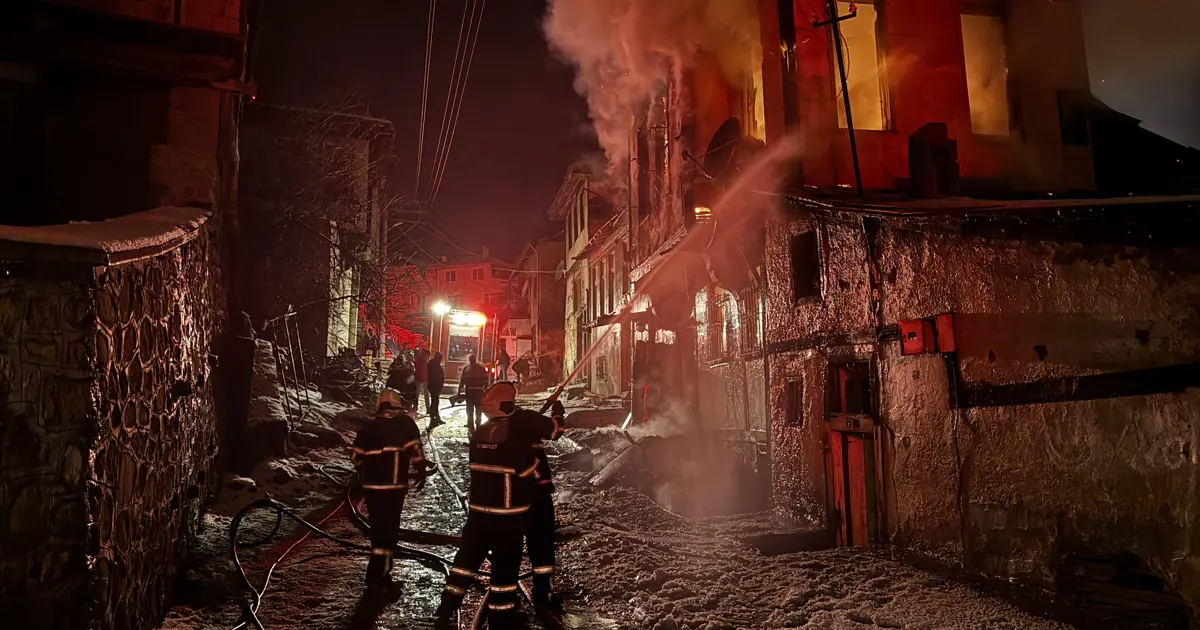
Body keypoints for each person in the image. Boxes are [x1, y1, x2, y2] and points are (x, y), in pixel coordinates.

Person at [433, 383, 566, 630]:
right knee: (518, 559)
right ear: (509, 405)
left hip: (480, 510)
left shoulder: (481, 433)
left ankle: (447, 604)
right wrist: (557, 414)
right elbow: (533, 460)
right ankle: (512, 610)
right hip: (514, 509)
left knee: (467, 557)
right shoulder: (521, 429)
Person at [352, 386, 430, 587]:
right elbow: (415, 451)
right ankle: (380, 577)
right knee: (389, 532)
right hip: (394, 487)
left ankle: (376, 574)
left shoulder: (369, 427)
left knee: (378, 530)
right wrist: (420, 470)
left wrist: (366, 471)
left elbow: (356, 457)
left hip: (371, 487)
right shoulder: (405, 424)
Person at [521, 397, 565, 615]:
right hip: (537, 495)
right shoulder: (528, 419)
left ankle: (505, 597)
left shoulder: (496, 427)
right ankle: (542, 596)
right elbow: (556, 431)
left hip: (510, 500)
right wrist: (557, 412)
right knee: (542, 546)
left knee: (508, 550)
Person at [457, 354, 488, 432]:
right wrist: (486, 389)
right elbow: (486, 380)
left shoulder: (466, 368)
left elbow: (462, 380)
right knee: (478, 408)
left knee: (470, 408)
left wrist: (459, 390)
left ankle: (470, 423)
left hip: (470, 391)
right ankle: (478, 423)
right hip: (479, 391)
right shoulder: (481, 368)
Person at [426, 351, 445, 431]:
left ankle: (436, 418)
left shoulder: (431, 364)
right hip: (434, 386)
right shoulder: (434, 365)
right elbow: (438, 376)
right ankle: (433, 420)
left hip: (433, 386)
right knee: (434, 403)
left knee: (435, 402)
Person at [415, 347, 430, 414]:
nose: (427, 357)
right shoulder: (420, 361)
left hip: (424, 379)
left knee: (425, 394)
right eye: (427, 355)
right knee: (417, 395)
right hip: (419, 380)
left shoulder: (423, 360)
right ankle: (416, 408)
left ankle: (427, 408)